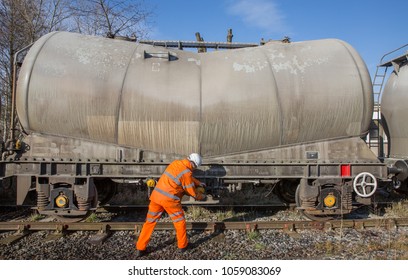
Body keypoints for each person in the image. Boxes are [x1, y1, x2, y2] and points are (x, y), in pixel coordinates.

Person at [135, 153, 206, 257]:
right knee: (180, 221)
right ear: (193, 164)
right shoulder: (187, 173)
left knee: (149, 222)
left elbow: (185, 176)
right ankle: (183, 246)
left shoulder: (176, 163)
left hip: (156, 197)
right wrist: (201, 197)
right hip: (170, 200)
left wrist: (198, 182)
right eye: (195, 167)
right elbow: (192, 191)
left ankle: (140, 248)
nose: (194, 169)